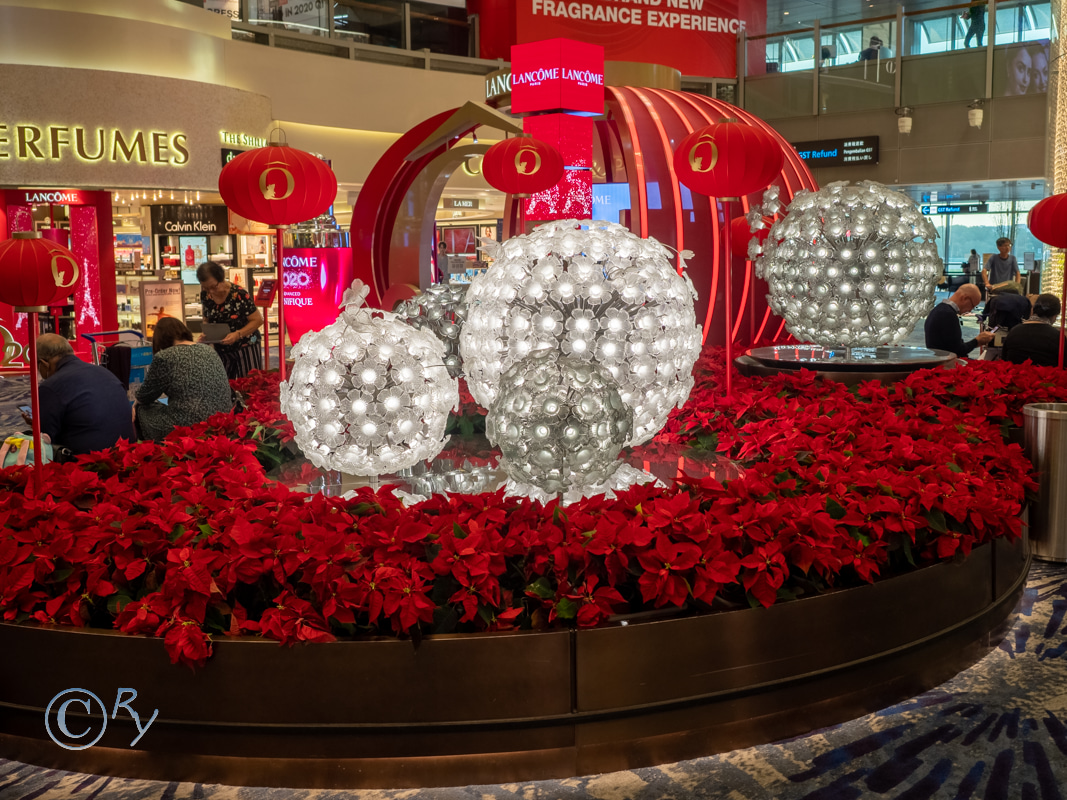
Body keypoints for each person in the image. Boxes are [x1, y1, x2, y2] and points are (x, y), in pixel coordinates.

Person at [21, 333, 135, 455]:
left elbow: (45, 439)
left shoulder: (50, 387)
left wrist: (37, 424)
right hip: (128, 454)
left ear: (43, 364)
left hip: (88, 461)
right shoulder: (105, 373)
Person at [135, 318, 233, 442]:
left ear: (159, 339)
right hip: (220, 421)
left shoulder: (165, 356)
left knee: (141, 410)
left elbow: (145, 395)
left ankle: (149, 449)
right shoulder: (209, 350)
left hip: (189, 425)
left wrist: (135, 403)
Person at [196, 261, 264, 380]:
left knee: (249, 383)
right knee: (223, 384)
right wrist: (206, 334)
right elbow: (207, 319)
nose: (210, 291)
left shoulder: (239, 295)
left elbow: (257, 320)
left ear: (221, 279)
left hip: (246, 346)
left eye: (213, 287)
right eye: (206, 288)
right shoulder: (205, 296)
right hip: (222, 348)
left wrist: (238, 334)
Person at [924, 285, 995, 357]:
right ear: (964, 298)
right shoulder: (947, 314)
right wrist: (977, 341)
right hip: (945, 360)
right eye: (972, 306)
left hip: (939, 358)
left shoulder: (940, 309)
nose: (970, 310)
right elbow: (957, 351)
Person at [1002, 293, 1066, 367]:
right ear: (1055, 316)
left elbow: (1004, 361)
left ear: (1033, 310)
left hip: (1015, 373)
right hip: (1046, 374)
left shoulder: (1014, 331)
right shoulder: (1058, 338)